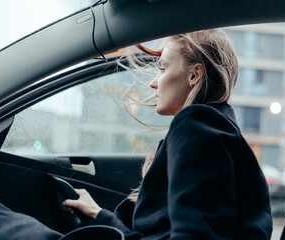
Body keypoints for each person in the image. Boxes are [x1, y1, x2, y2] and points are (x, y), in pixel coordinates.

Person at [62, 29, 273, 240]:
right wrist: (98, 215)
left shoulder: (197, 124)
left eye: (162, 68)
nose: (153, 82)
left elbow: (196, 236)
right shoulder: (212, 129)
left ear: (194, 75)